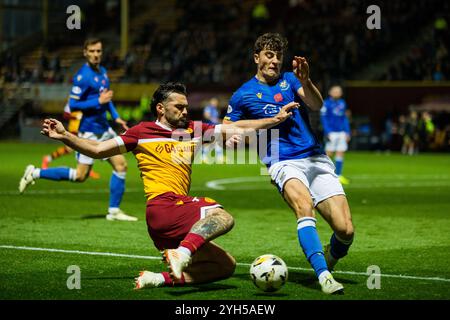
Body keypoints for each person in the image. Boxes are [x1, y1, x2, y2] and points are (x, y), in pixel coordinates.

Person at [39, 82, 298, 288]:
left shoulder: (194, 129)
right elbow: (97, 148)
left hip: (173, 219)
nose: (185, 111)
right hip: (163, 206)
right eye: (179, 107)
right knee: (222, 216)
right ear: (161, 108)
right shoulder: (141, 132)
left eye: (186, 107)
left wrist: (274, 120)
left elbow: (237, 127)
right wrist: (65, 136)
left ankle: (158, 278)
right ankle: (182, 253)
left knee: (224, 266)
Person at [223, 33, 354, 294]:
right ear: (256, 57)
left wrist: (306, 81)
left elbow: (316, 104)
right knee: (305, 208)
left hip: (315, 157)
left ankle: (330, 258)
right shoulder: (243, 94)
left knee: (345, 230)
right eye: (269, 55)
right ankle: (324, 276)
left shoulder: (291, 80)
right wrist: (234, 136)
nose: (274, 61)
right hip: (282, 161)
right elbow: (226, 126)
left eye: (278, 56)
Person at [19, 38, 137, 222]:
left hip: (104, 129)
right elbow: (73, 104)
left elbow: (107, 100)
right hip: (88, 132)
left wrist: (116, 118)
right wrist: (98, 102)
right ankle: (35, 172)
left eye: (98, 51)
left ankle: (113, 211)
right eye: (92, 51)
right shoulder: (83, 76)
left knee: (121, 165)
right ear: (85, 52)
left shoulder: (103, 72)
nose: (96, 55)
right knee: (80, 176)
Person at [41, 101, 101, 179]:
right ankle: (47, 159)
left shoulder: (87, 101)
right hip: (74, 129)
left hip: (84, 128)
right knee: (74, 148)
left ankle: (86, 169)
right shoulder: (73, 101)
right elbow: (66, 115)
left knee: (84, 147)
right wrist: (75, 117)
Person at [320, 85, 351, 185]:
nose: (337, 92)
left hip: (341, 132)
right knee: (329, 154)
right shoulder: (326, 104)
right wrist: (327, 131)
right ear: (330, 92)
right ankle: (325, 175)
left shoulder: (342, 103)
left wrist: (347, 131)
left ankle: (339, 175)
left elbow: (344, 118)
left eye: (339, 91)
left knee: (340, 152)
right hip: (332, 132)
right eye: (335, 91)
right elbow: (324, 119)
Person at [201, 97, 224, 163]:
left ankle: (220, 157)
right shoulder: (208, 108)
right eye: (213, 102)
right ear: (211, 102)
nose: (215, 103)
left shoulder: (216, 110)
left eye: (216, 102)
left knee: (217, 141)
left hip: (215, 127)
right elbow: (206, 115)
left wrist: (219, 121)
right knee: (208, 142)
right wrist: (214, 119)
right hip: (209, 127)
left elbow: (216, 119)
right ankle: (203, 156)